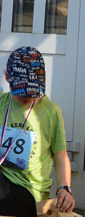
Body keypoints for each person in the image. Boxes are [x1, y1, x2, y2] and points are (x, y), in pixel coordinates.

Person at [0, 47, 75, 217]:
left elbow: (60, 155)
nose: (27, 97)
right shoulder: (2, 103)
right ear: (7, 78)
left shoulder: (51, 111)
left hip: (29, 192)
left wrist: (64, 188)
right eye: (22, 92)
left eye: (32, 91)